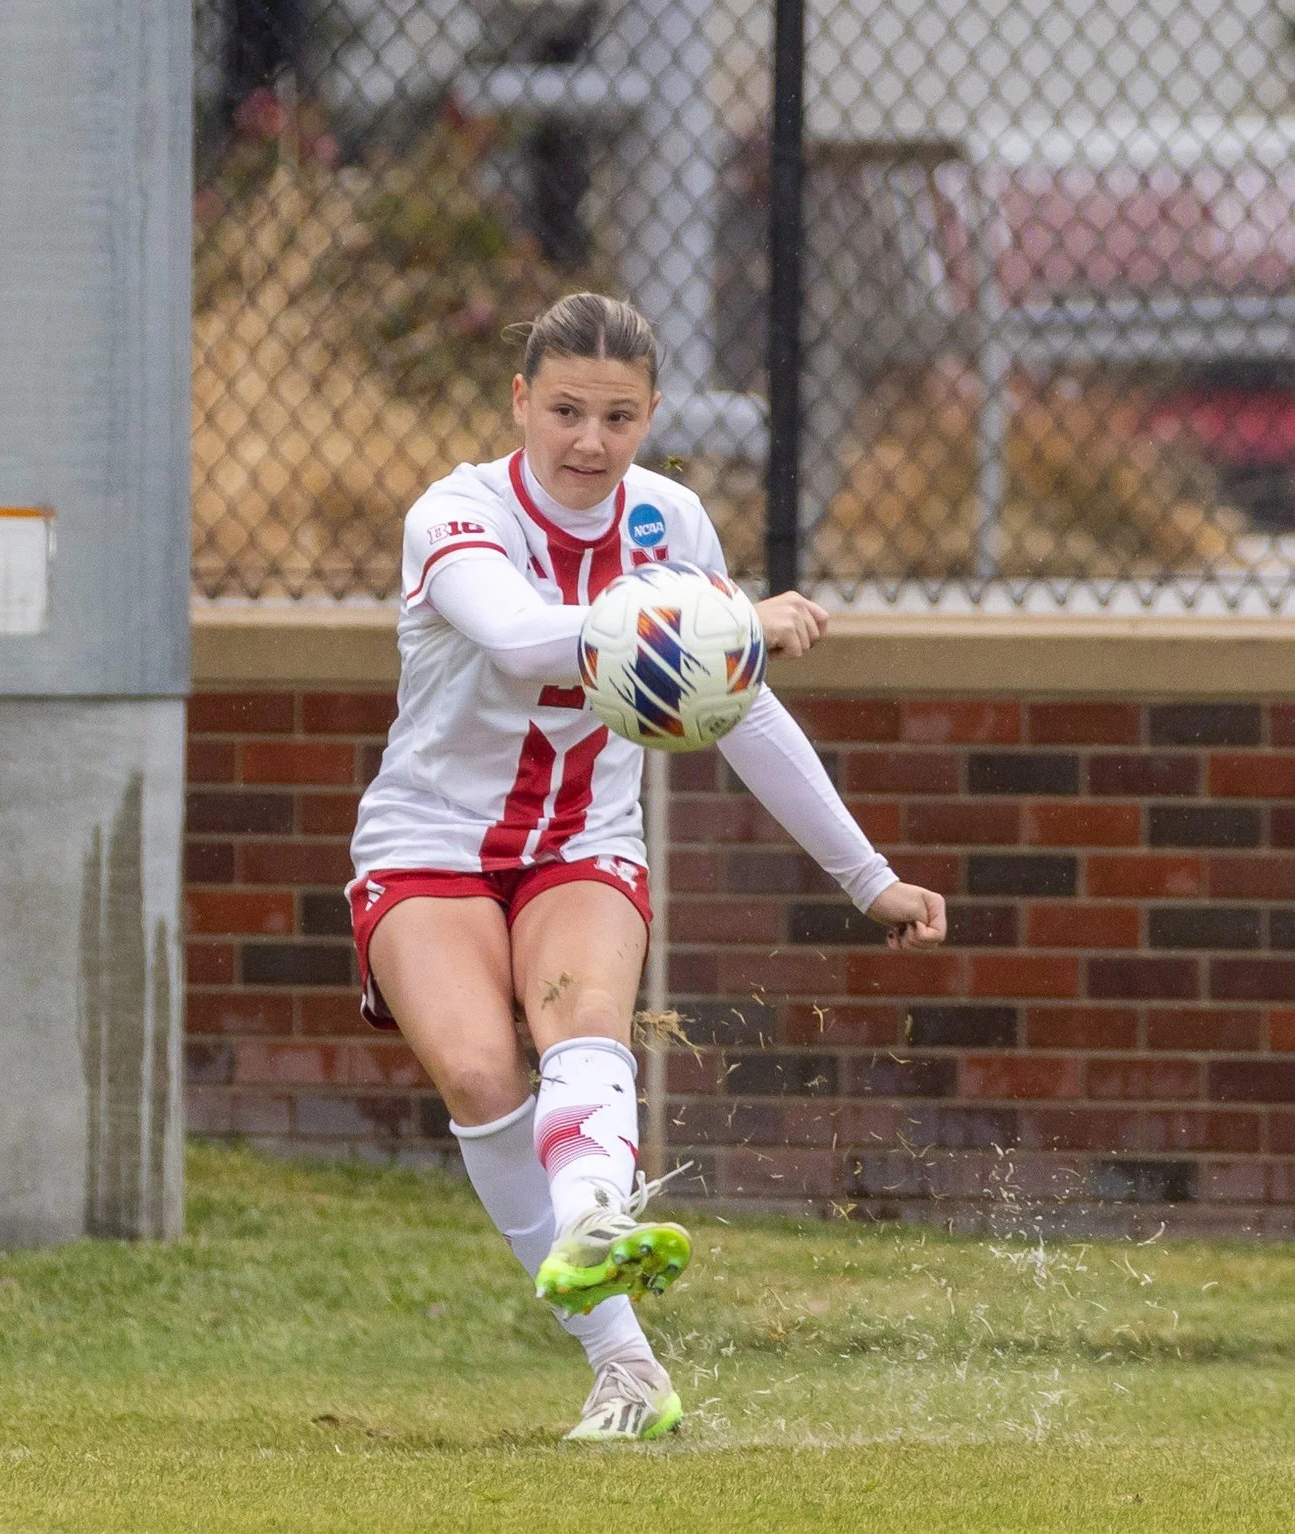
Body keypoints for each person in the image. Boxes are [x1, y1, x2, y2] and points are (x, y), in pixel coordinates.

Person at [349, 292, 946, 1443]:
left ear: (653, 415)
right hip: (429, 838)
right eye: (565, 410)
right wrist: (728, 620)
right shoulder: (456, 512)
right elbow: (519, 637)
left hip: (582, 836)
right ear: (519, 401)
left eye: (617, 417)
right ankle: (625, 1359)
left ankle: (594, 1227)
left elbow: (739, 709)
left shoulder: (671, 524)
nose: (589, 440)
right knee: (476, 1073)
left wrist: (865, 874)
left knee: (583, 1024)